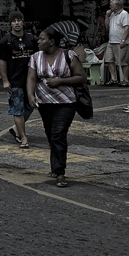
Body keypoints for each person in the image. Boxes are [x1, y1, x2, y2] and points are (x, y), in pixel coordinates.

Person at [26, 27, 86, 188]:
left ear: (51, 42)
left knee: (59, 133)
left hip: (66, 102)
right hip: (44, 103)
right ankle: (55, 164)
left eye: (41, 39)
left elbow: (81, 76)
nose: (38, 41)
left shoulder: (69, 55)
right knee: (51, 134)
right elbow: (31, 78)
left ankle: (60, 173)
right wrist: (31, 96)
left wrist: (60, 81)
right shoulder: (35, 57)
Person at [0, 11, 39, 149]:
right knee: (17, 110)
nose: (16, 23)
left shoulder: (31, 39)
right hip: (14, 81)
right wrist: (5, 80)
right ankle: (23, 137)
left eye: (19, 20)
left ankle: (16, 129)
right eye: (13, 21)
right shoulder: (5, 41)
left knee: (30, 107)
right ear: (10, 23)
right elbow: (2, 62)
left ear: (23, 22)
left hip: (30, 81)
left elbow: (38, 57)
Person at [105, 0, 129, 87]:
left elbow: (127, 27)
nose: (110, 7)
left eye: (111, 5)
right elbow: (107, 26)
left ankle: (126, 80)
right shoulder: (112, 14)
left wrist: (123, 40)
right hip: (112, 41)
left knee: (123, 61)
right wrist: (106, 16)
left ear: (116, 6)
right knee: (109, 59)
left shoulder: (124, 14)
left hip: (120, 41)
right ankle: (114, 78)